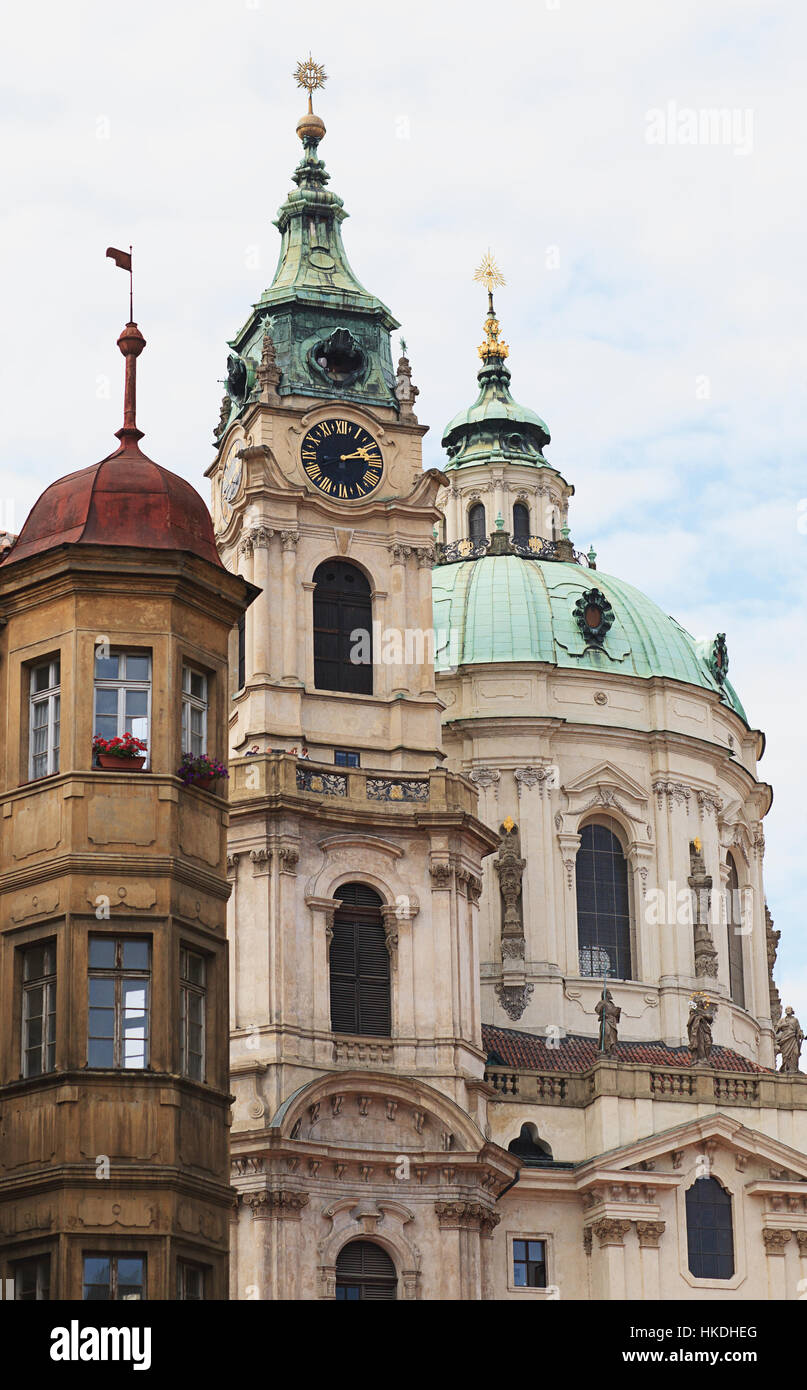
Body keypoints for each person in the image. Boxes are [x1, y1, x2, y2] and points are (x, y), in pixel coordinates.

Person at [776, 1006, 804, 1074]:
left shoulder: (795, 1020)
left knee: (795, 1053)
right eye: (786, 1009)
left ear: (792, 1011)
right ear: (785, 1011)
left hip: (793, 1038)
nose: (787, 1010)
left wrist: (801, 1034)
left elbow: (798, 1029)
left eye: (789, 1009)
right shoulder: (782, 1020)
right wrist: (782, 1025)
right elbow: (776, 1028)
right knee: (785, 1055)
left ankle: (794, 1069)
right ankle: (786, 1068)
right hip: (785, 1038)